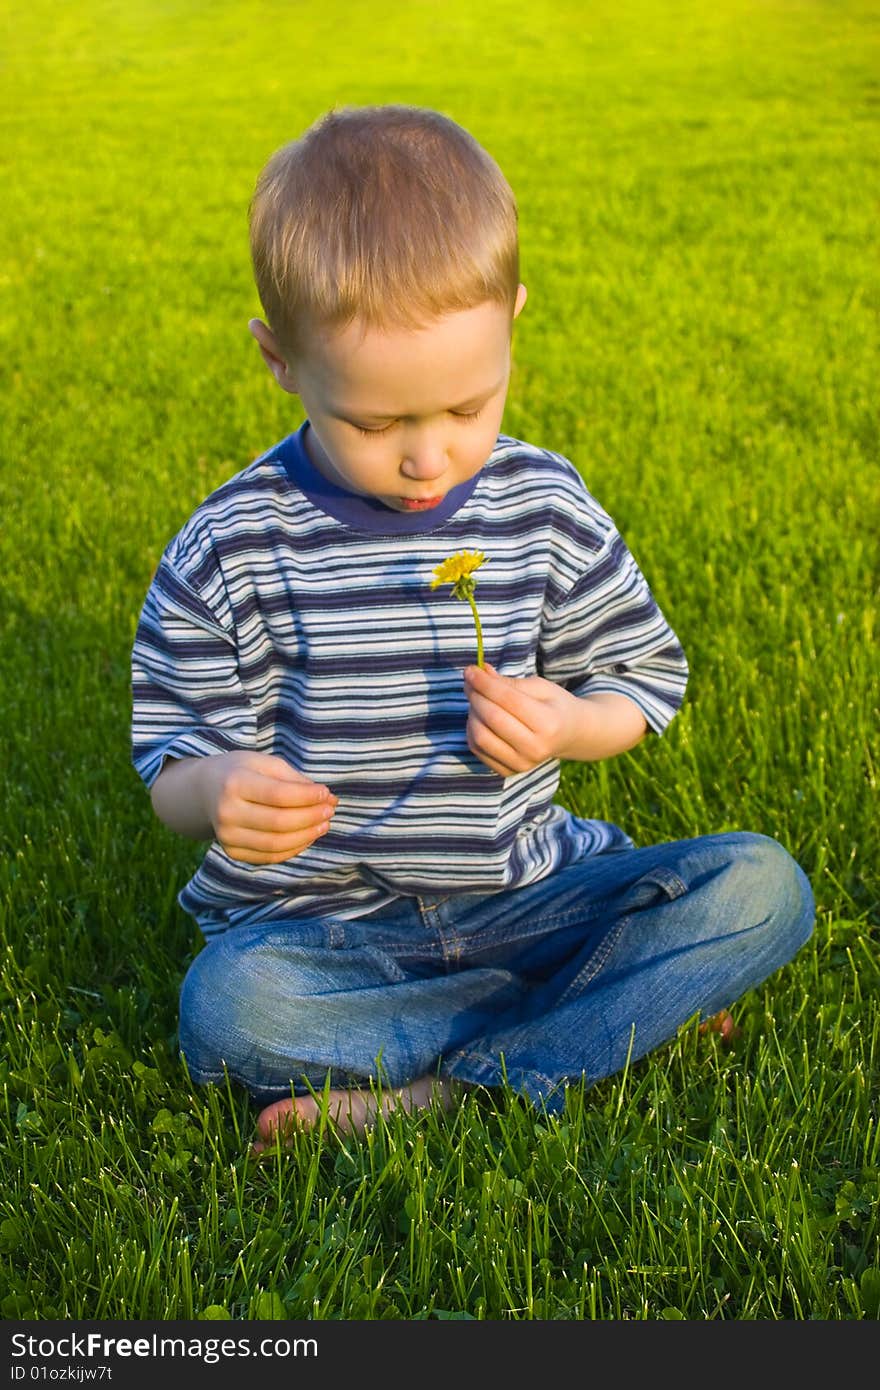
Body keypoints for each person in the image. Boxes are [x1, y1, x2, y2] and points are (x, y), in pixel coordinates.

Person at [131, 104, 815, 1154]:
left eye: (467, 406)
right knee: (228, 1015)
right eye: (374, 422)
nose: (427, 458)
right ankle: (605, 1022)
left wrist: (567, 725)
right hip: (332, 936)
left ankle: (452, 1085)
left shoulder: (542, 507)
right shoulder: (231, 548)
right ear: (278, 358)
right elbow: (173, 758)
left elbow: (642, 679)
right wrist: (218, 790)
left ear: (513, 320)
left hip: (531, 895)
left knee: (764, 887)